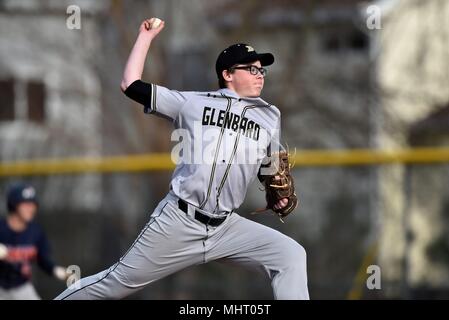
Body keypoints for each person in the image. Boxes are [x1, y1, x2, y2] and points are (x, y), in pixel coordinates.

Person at [56, 18, 308, 300]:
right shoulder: (192, 103)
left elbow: (267, 165)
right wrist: (145, 38)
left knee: (290, 255)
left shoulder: (269, 116)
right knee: (115, 284)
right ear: (227, 73)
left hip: (226, 227)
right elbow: (131, 84)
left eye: (262, 70)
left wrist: (277, 194)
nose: (260, 74)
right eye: (251, 69)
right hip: (179, 221)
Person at [0, 183, 67, 300]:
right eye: (26, 204)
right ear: (14, 205)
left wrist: (55, 270)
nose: (31, 208)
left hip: (22, 287)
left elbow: (43, 259)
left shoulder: (35, 232)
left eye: (33, 204)